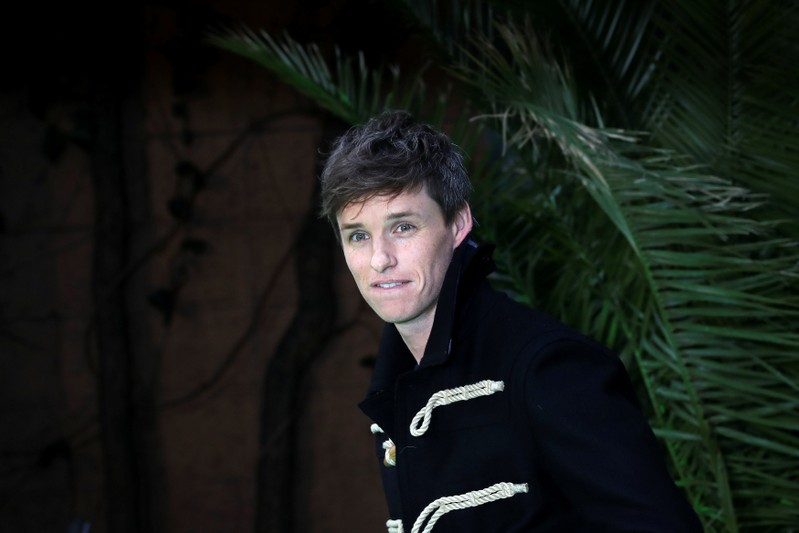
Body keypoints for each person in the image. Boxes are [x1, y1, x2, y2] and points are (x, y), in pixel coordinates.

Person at [319, 110, 703, 533]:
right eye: (357, 235)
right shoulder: (397, 380)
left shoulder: (547, 366)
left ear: (458, 223)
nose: (379, 259)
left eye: (404, 226)